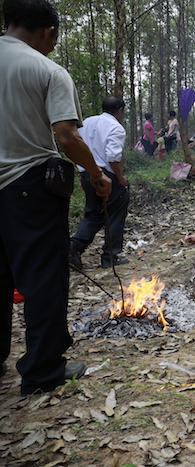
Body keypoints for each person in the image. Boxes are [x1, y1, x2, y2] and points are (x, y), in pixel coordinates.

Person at [0, 0, 112, 395]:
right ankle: (42, 370)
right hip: (29, 186)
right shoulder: (46, 69)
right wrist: (97, 175)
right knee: (43, 277)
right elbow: (66, 136)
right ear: (48, 31)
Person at [69, 95, 130, 271]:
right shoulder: (115, 127)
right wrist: (120, 178)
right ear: (120, 110)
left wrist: (83, 173)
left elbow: (75, 148)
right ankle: (110, 256)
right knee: (117, 210)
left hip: (88, 174)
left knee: (94, 214)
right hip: (106, 176)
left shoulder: (87, 123)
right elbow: (112, 157)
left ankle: (74, 247)